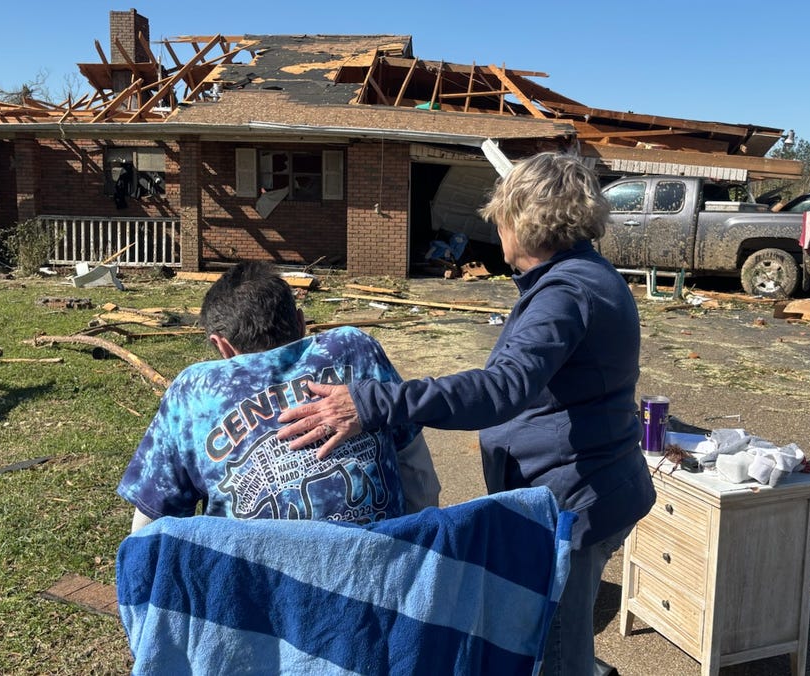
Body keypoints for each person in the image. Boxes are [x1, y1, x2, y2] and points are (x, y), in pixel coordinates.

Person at [277, 152, 655, 676]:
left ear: (523, 220)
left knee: (557, 651)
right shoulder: (582, 276)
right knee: (549, 633)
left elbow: (503, 388)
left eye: (500, 216)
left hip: (577, 502)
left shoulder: (565, 293)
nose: (495, 228)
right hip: (593, 487)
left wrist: (371, 401)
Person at [117, 261, 440, 534]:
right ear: (300, 323)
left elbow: (152, 527)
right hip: (381, 579)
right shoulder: (354, 348)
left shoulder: (194, 391)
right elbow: (416, 471)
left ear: (222, 347)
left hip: (260, 593)